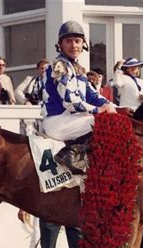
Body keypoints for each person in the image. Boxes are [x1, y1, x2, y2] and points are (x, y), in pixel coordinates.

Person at [41, 20, 117, 173]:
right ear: (60, 44)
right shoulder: (59, 65)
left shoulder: (79, 69)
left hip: (72, 119)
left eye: (77, 41)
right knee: (104, 122)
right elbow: (69, 101)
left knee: (114, 118)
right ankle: (69, 155)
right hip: (58, 120)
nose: (74, 45)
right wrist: (98, 110)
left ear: (83, 44)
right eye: (68, 41)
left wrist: (115, 108)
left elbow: (93, 96)